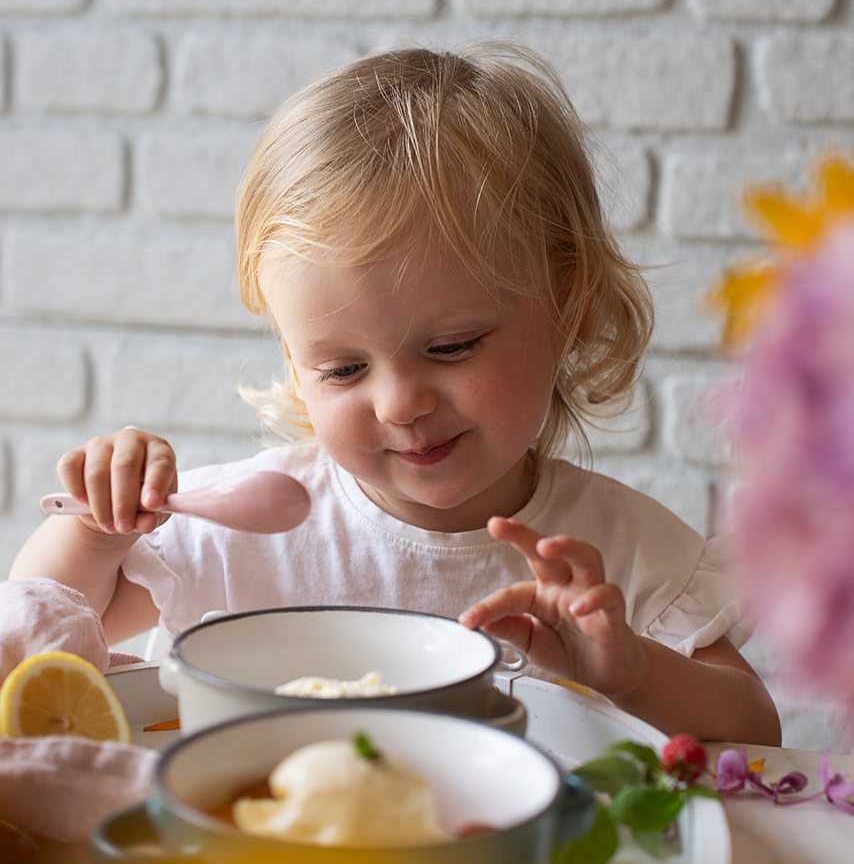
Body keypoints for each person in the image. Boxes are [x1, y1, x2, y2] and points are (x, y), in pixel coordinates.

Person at [10, 43, 780, 745]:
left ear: (567, 302)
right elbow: (40, 647)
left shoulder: (619, 558)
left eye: (450, 348)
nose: (399, 403)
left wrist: (634, 674)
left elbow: (754, 736)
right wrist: (100, 533)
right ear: (292, 354)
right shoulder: (244, 528)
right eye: (342, 369)